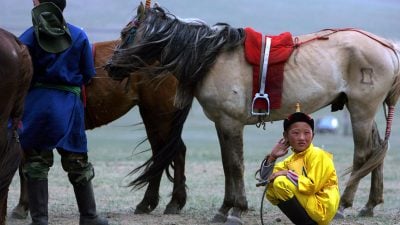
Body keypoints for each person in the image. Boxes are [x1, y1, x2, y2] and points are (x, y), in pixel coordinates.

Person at [19, 1, 108, 225]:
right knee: (77, 160)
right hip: (69, 107)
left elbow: (21, 77)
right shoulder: (79, 35)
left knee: (36, 163)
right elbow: (88, 74)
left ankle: (39, 221)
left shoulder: (27, 37)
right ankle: (89, 217)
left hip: (36, 107)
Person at [259, 106, 340, 225]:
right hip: (311, 204)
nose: (302, 138)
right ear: (286, 136)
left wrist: (286, 173)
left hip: (322, 207)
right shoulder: (290, 160)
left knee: (281, 182)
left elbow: (311, 186)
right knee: (271, 189)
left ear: (313, 135)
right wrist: (272, 157)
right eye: (296, 133)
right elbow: (265, 180)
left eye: (307, 133)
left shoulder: (318, 154)